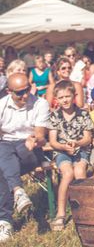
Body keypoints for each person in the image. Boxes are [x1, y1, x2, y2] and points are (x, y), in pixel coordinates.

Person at [0, 74, 49, 242]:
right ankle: (18, 192)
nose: (25, 95)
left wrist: (34, 139)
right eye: (20, 93)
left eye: (27, 90)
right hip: (6, 146)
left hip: (30, 149)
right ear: (9, 91)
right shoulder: (1, 105)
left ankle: (5, 220)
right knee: (3, 160)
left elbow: (41, 136)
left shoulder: (40, 103)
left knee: (3, 170)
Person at [48, 81, 94, 230]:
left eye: (68, 96)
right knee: (67, 173)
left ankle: (84, 209)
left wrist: (77, 143)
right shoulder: (55, 116)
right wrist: (64, 147)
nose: (65, 100)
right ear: (56, 99)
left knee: (80, 172)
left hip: (80, 148)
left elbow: (88, 138)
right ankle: (61, 213)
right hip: (62, 151)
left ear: (74, 96)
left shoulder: (83, 114)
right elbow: (53, 142)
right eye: (61, 97)